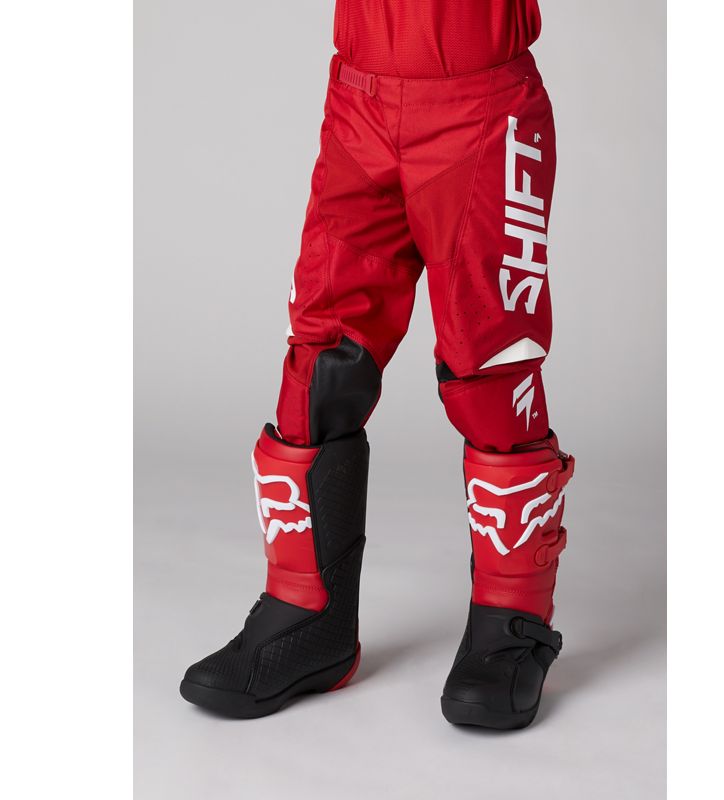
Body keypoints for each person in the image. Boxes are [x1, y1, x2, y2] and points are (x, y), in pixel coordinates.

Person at [180, 0, 574, 730]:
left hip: (481, 106)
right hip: (359, 99)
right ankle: (307, 615)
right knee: (323, 358)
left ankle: (511, 621)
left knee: (490, 367)